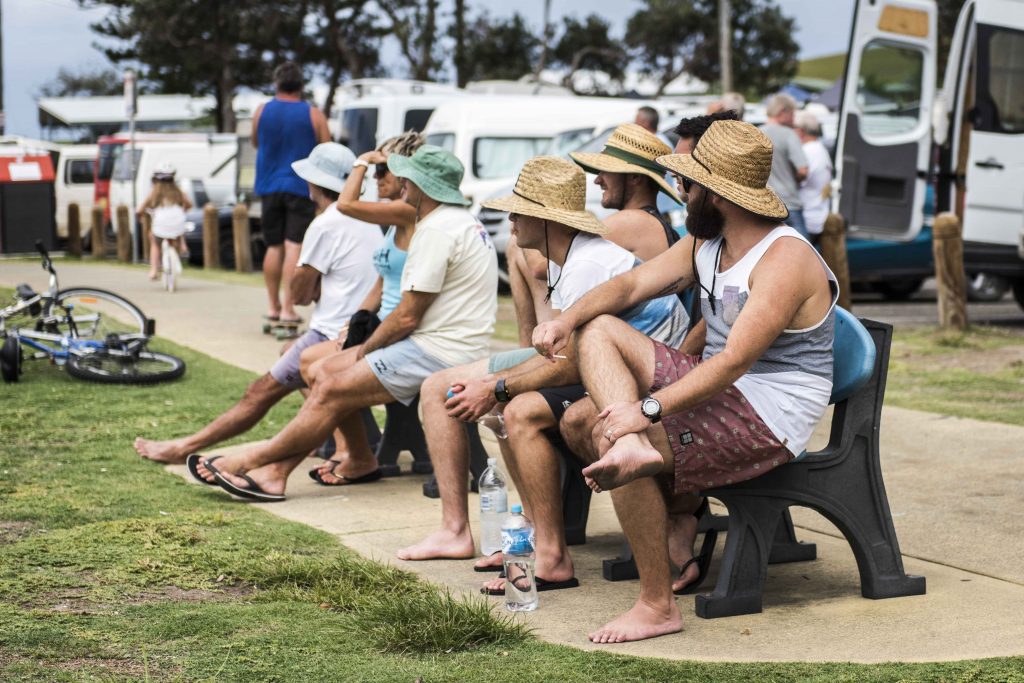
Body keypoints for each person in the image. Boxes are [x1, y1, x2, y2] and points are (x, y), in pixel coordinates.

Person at [532, 120, 839, 643]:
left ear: (717, 195)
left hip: (769, 411)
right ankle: (671, 506)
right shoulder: (708, 241)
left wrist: (644, 413)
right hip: (724, 388)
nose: (681, 192)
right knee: (591, 374)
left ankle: (658, 605)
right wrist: (565, 319)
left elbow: (733, 363)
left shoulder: (785, 257)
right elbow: (630, 284)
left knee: (608, 433)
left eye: (690, 183)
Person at [395, 156, 688, 574]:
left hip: (647, 378)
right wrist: (497, 384)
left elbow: (573, 366)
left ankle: (548, 550)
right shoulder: (570, 257)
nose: (511, 219)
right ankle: (529, 537)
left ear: (551, 221)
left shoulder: (587, 263)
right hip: (616, 369)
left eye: (521, 210)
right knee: (485, 395)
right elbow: (569, 359)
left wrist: (497, 387)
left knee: (519, 409)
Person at [190, 146, 498, 501]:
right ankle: (295, 470)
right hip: (439, 345)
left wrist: (363, 351)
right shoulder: (455, 222)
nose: (400, 184)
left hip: (438, 352)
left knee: (330, 385)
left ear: (421, 186)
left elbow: (408, 315)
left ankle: (252, 460)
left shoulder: (437, 231)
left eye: (405, 178)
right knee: (322, 373)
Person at [133, 143, 381, 466]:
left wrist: (308, 277)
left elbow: (300, 296)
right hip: (359, 331)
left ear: (315, 184)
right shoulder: (368, 219)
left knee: (259, 392)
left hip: (333, 335)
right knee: (289, 354)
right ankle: (342, 442)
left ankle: (184, 448)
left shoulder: (325, 224)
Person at [299, 131, 426, 479]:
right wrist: (355, 322)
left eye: (382, 170)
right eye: (373, 170)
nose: (374, 177)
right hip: (378, 322)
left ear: (402, 173)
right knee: (308, 362)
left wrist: (360, 161)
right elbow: (382, 279)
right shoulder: (393, 218)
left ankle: (354, 453)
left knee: (318, 368)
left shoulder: (407, 211)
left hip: (398, 332)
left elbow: (346, 204)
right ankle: (355, 448)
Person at [252, 61, 331, 327]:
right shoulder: (313, 114)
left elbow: (255, 141)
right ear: (300, 85)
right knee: (294, 246)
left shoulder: (261, 111)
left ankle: (272, 306)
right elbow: (327, 149)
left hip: (268, 185)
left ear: (277, 83)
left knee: (273, 246)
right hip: (300, 186)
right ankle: (288, 309)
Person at [570, 123, 683, 261]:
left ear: (635, 177)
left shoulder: (630, 222)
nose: (597, 180)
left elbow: (544, 267)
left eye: (606, 171)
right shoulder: (660, 227)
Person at [760, 93, 809, 236]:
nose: (794, 119)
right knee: (803, 253)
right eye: (793, 113)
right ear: (782, 112)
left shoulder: (755, 133)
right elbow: (803, 170)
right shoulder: (788, 134)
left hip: (764, 205)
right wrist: (797, 178)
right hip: (789, 204)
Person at [137, 163, 192, 280]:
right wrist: (183, 210)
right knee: (176, 228)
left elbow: (140, 209)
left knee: (154, 240)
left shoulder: (154, 192)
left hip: (161, 225)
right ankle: (182, 246)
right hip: (178, 224)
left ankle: (154, 270)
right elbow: (189, 204)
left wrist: (140, 215)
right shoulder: (179, 192)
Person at [795, 111, 833, 243]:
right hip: (817, 217)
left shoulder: (807, 152)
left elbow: (796, 181)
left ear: (800, 131)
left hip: (806, 218)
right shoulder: (820, 149)